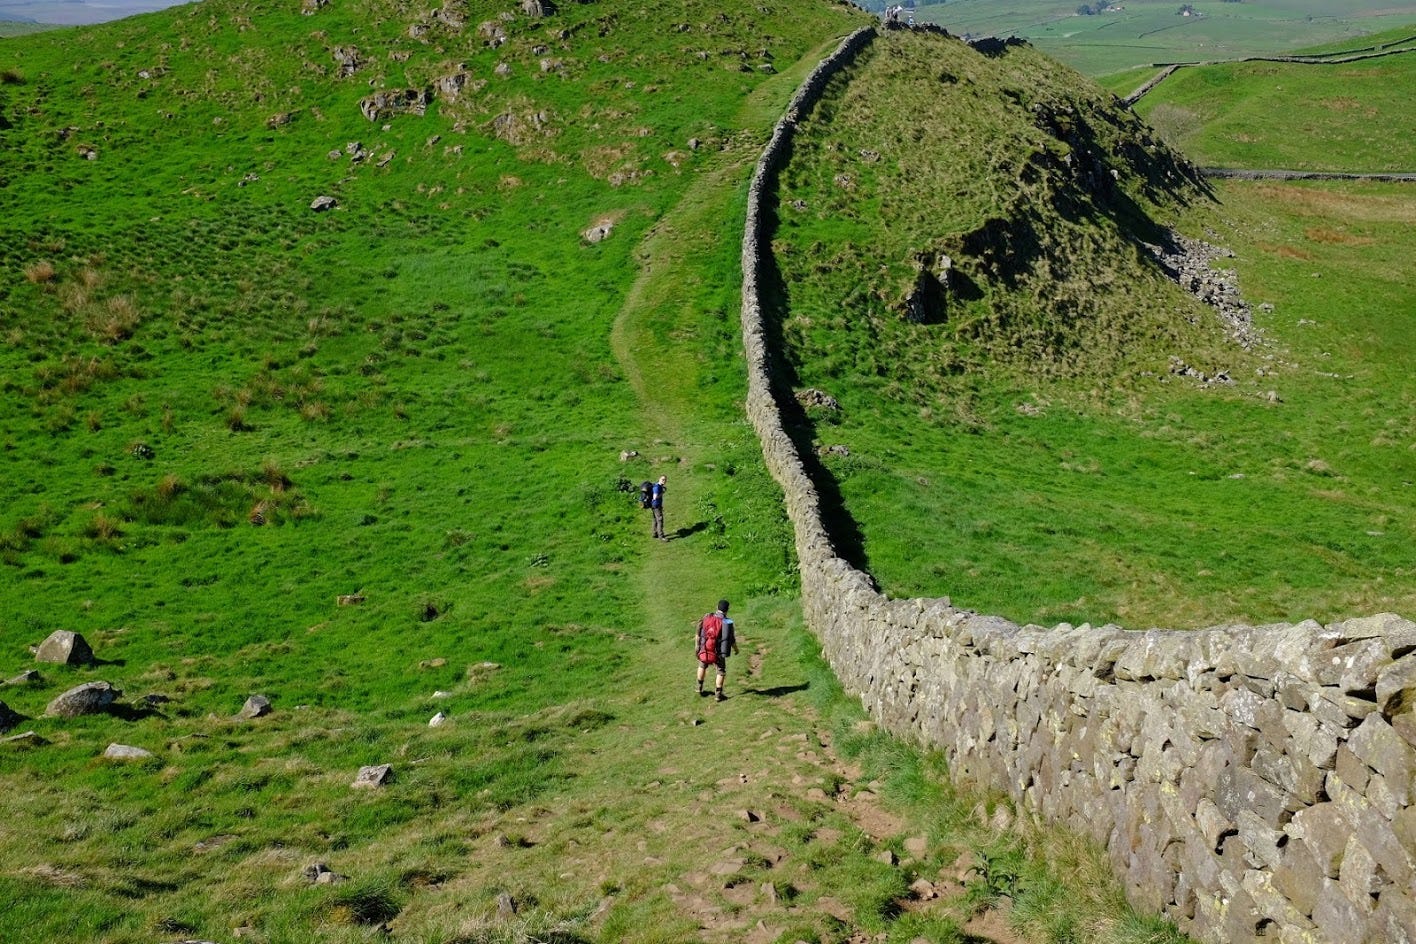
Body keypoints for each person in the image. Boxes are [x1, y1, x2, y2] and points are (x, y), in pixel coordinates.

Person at [696, 599, 738, 701]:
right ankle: (718, 694)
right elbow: (731, 640)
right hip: (718, 652)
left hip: (705, 648)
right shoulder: (726, 623)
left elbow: (699, 633)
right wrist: (736, 649)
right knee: (721, 671)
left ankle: (699, 687)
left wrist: (697, 647)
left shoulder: (707, 618)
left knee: (702, 665)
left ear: (717, 607)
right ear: (727, 610)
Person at [650, 475, 667, 540]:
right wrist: (662, 493)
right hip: (656, 505)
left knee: (655, 519)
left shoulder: (658, 486)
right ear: (659, 479)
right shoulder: (657, 487)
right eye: (662, 479)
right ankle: (661, 536)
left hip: (653, 505)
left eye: (665, 480)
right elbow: (655, 497)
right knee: (660, 520)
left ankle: (654, 534)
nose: (664, 481)